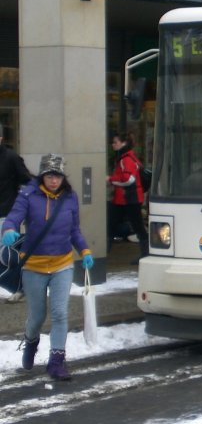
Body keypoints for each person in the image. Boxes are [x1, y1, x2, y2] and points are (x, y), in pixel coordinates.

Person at [1, 154, 93, 380]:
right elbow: (14, 216)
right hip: (34, 266)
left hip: (62, 264)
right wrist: (8, 229)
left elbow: (74, 230)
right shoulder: (28, 194)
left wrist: (85, 250)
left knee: (60, 313)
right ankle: (31, 341)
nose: (54, 180)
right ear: (42, 176)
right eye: (50, 175)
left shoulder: (70, 197)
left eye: (58, 176)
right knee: (37, 317)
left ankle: (56, 362)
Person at [0, 125, 33, 303]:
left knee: (5, 255)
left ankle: (19, 287)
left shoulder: (11, 157)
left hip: (6, 215)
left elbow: (27, 180)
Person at [108, 133, 148, 262]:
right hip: (129, 198)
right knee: (136, 226)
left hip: (128, 198)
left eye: (115, 142)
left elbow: (128, 179)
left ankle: (102, 255)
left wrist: (111, 179)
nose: (113, 145)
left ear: (123, 143)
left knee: (112, 225)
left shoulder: (125, 159)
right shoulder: (129, 157)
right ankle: (145, 254)